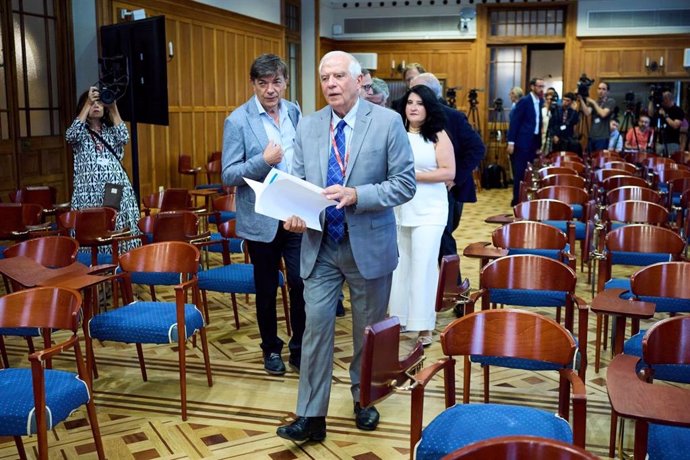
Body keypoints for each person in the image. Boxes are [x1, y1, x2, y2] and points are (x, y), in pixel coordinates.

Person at [276, 51, 415, 442]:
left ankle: (364, 400)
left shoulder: (387, 123)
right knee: (315, 328)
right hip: (320, 244)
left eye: (339, 76)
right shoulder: (309, 126)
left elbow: (404, 184)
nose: (331, 84)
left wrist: (357, 193)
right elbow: (300, 180)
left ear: (359, 81)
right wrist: (295, 211)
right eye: (325, 78)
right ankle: (311, 416)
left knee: (365, 331)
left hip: (367, 244)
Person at [222, 53, 305, 375]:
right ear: (253, 84)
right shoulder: (238, 120)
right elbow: (229, 175)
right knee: (267, 289)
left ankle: (299, 348)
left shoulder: (295, 112)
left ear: (285, 83)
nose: (270, 89)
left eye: (276, 82)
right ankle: (271, 349)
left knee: (300, 283)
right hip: (262, 219)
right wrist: (263, 160)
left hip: (297, 215)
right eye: (263, 83)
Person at [389, 84, 454, 346]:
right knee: (400, 266)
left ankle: (425, 325)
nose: (414, 107)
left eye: (420, 103)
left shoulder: (437, 135)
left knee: (424, 265)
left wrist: (413, 176)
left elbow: (448, 172)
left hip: (430, 210)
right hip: (400, 209)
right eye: (410, 103)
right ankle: (401, 318)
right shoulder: (397, 134)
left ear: (428, 108)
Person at [410, 73, 485, 275]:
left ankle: (453, 291)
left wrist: (454, 177)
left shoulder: (452, 116)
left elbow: (477, 149)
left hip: (445, 191)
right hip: (414, 194)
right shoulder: (407, 118)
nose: (412, 102)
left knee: (443, 239)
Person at [65, 86, 140, 251]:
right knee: (93, 230)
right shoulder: (81, 133)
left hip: (115, 190)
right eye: (92, 103)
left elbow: (124, 136)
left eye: (99, 102)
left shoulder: (110, 131)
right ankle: (94, 266)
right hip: (89, 194)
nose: (96, 105)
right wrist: (87, 104)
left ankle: (120, 262)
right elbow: (70, 135)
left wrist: (113, 107)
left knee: (114, 226)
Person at [507, 77, 545, 206]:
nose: (541, 89)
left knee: (530, 172)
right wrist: (511, 141)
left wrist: (539, 144)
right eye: (539, 86)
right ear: (532, 87)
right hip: (522, 141)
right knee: (520, 172)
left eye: (542, 86)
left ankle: (525, 199)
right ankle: (517, 199)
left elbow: (538, 123)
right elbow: (515, 122)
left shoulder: (540, 101)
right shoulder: (524, 101)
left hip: (533, 141)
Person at [579, 81, 615, 153]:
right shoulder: (595, 102)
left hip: (602, 137)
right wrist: (581, 99)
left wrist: (593, 102)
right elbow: (587, 112)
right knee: (590, 159)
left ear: (608, 92)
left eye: (603, 89)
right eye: (599, 89)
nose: (600, 91)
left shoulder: (610, 101)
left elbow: (603, 114)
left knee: (599, 160)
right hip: (592, 136)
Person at [651, 91, 685, 156]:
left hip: (672, 143)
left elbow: (675, 125)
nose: (662, 101)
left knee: (670, 162)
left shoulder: (678, 110)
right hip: (660, 142)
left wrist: (665, 116)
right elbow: (651, 114)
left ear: (668, 99)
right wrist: (652, 100)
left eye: (663, 99)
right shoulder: (661, 109)